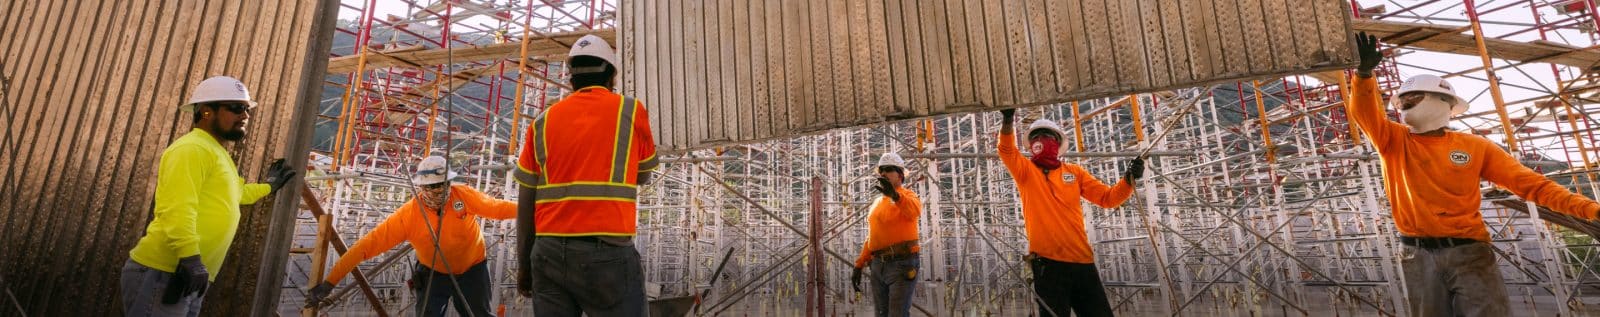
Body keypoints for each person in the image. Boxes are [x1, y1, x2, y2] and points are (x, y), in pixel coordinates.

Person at [1348, 32, 1600, 316]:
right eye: (1401, 102)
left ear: (1442, 101)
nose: (1404, 105)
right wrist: (1364, 75)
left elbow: (1532, 185)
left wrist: (1591, 209)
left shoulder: (1474, 147)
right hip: (1416, 252)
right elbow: (1364, 114)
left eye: (1412, 98)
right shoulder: (1394, 140)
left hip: (1469, 250)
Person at [121, 76, 296, 317]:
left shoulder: (216, 151)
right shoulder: (191, 149)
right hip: (166, 270)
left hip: (188, 274)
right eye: (236, 108)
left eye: (246, 109)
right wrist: (190, 257)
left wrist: (268, 187)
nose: (245, 115)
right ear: (205, 112)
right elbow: (177, 208)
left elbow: (236, 195)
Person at [514, 34, 659, 316]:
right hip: (606, 254)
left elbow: (525, 202)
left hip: (547, 254)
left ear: (571, 79)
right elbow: (642, 175)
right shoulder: (629, 110)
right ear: (611, 76)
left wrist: (523, 264)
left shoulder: (541, 123)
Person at [304, 156, 514, 317]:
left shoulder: (463, 196)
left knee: (479, 314)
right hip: (434, 274)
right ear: (422, 187)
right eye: (432, 186)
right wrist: (329, 283)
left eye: (443, 184)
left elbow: (497, 208)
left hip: (472, 269)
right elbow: (366, 246)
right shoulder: (409, 216)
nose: (439, 190)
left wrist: (536, 208)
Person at [996, 109, 1143, 317]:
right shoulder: (1026, 172)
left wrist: (1129, 180)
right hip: (1047, 264)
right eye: (1036, 137)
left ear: (1057, 143)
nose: (1042, 141)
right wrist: (1008, 120)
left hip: (1082, 262)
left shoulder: (1075, 173)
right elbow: (1006, 150)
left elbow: (1108, 199)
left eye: (1047, 136)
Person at [849, 153, 924, 317]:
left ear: (900, 174)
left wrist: (896, 196)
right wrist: (860, 263)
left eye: (889, 169)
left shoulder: (908, 196)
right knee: (881, 314)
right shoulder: (877, 202)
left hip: (902, 263)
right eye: (881, 170)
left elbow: (915, 211)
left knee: (897, 314)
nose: (884, 173)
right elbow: (873, 236)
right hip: (878, 265)